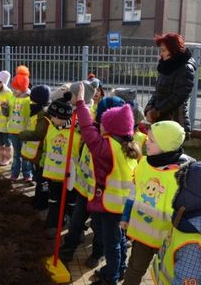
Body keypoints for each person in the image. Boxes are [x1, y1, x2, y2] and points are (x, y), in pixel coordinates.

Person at [75, 83, 141, 285]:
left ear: (111, 128)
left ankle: (110, 277)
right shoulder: (129, 146)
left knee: (111, 244)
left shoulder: (107, 148)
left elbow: (87, 129)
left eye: (103, 123)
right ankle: (119, 269)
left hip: (109, 206)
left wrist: (81, 103)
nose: (99, 125)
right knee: (118, 240)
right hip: (120, 206)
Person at [120, 120, 193, 285]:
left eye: (152, 140)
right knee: (134, 269)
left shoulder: (186, 172)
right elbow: (134, 191)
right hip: (142, 236)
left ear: (166, 145)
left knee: (165, 277)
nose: (147, 142)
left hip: (168, 239)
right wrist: (125, 215)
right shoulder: (144, 163)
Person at [59, 96, 127, 268]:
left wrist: (81, 104)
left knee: (99, 229)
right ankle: (67, 250)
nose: (97, 116)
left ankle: (98, 254)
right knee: (75, 224)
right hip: (84, 190)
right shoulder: (93, 132)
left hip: (101, 194)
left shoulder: (106, 143)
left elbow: (89, 130)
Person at [42, 92, 81, 239]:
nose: (51, 118)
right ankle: (53, 223)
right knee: (54, 200)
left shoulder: (76, 132)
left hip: (71, 177)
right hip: (53, 175)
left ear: (60, 117)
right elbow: (48, 147)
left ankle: (75, 228)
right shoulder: (52, 127)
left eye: (53, 116)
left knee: (71, 203)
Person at [144, 33, 196, 134]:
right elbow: (157, 92)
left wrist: (156, 112)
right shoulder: (166, 66)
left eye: (163, 50)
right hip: (161, 122)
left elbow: (178, 97)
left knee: (171, 150)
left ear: (173, 51)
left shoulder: (185, 68)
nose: (161, 54)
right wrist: (149, 108)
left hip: (175, 123)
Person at [18, 84, 52, 210]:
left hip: (43, 152)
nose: (31, 102)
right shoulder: (38, 112)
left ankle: (42, 201)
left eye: (33, 100)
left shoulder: (43, 115)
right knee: (38, 177)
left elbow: (39, 134)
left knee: (42, 179)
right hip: (37, 152)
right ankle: (38, 197)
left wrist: (22, 134)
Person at [7, 65, 33, 182]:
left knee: (26, 154)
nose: (14, 90)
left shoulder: (28, 99)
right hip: (13, 130)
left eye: (17, 88)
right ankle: (14, 173)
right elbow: (7, 113)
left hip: (25, 131)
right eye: (14, 88)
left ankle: (27, 174)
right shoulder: (11, 98)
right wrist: (4, 108)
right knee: (16, 154)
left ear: (23, 87)